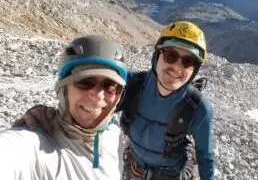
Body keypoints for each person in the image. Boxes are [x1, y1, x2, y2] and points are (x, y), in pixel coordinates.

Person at [15, 21, 215, 180]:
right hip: (132, 166)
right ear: (157, 57)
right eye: (171, 55)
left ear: (194, 71)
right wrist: (53, 117)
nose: (177, 67)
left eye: (188, 61)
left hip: (170, 174)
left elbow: (205, 157)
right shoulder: (132, 84)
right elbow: (89, 102)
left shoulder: (198, 108)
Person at [0, 35, 128, 180]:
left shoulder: (114, 133)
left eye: (110, 85)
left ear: (119, 95)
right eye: (85, 82)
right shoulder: (33, 143)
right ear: (63, 89)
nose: (98, 95)